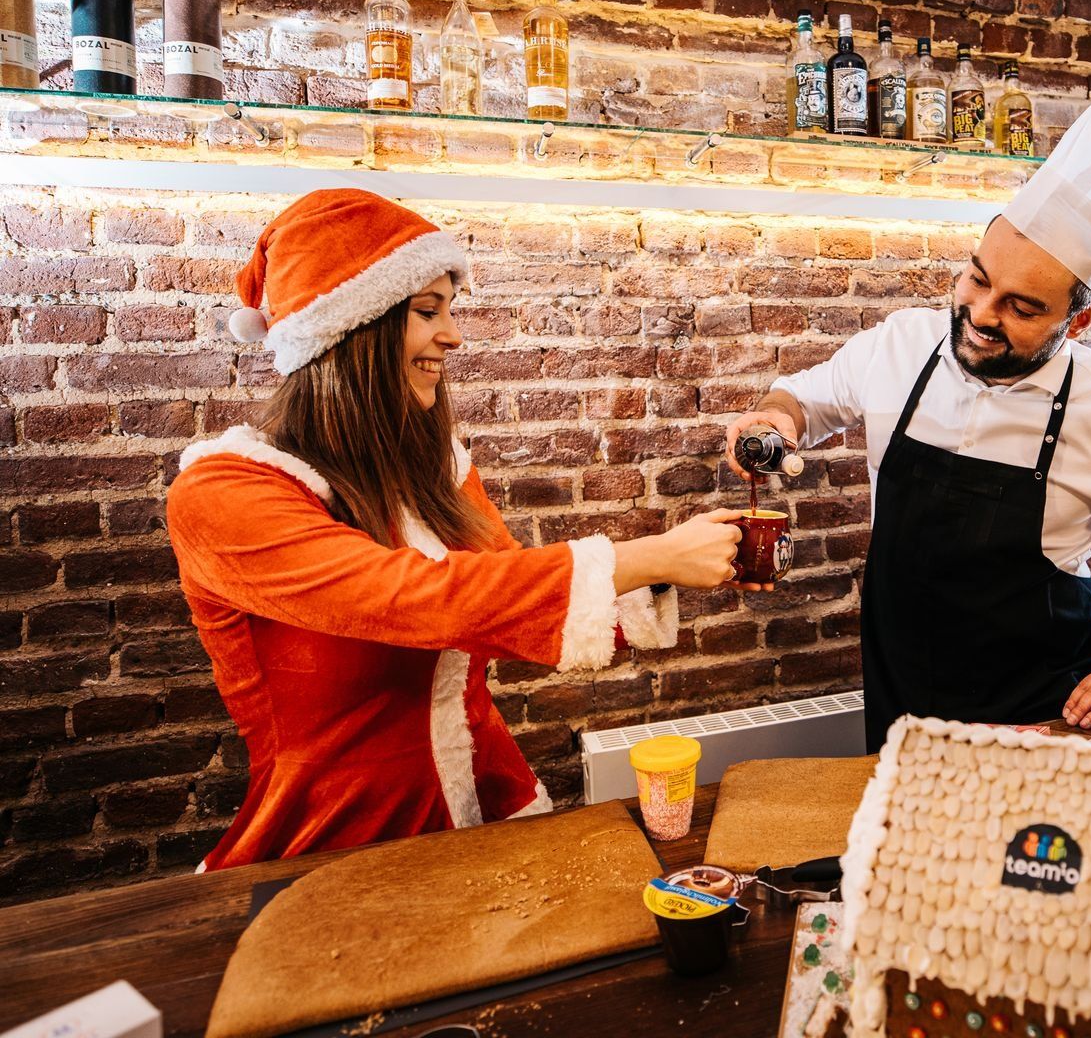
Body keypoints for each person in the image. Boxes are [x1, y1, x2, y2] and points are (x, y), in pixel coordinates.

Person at [166, 189, 744, 869]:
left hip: (482, 807)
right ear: (352, 329)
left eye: (451, 311)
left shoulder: (433, 473)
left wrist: (682, 567)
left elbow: (502, 602)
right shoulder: (224, 492)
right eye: (427, 312)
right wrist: (652, 556)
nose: (453, 336)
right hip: (337, 844)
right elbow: (413, 597)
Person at [725, 101, 1091, 750]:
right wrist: (775, 419)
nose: (980, 313)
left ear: (1079, 321)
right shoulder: (901, 346)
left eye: (1021, 307)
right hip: (902, 708)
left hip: (1047, 726)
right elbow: (805, 402)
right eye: (977, 279)